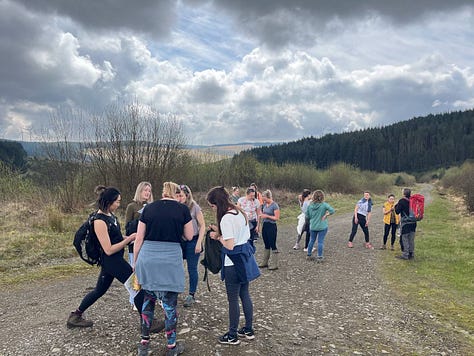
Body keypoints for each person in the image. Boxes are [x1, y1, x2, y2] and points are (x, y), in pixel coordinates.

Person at [67, 186, 140, 328]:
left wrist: (131, 238)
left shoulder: (111, 216)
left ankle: (75, 316)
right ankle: (149, 321)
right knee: (137, 287)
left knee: (99, 290)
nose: (119, 204)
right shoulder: (99, 221)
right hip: (112, 260)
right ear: (109, 201)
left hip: (113, 261)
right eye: (117, 202)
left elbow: (116, 238)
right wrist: (128, 240)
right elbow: (108, 249)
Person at [134, 182, 193, 356]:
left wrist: (135, 263)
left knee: (148, 301)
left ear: (162, 193)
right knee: (169, 305)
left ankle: (144, 344)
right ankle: (171, 347)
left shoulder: (148, 209)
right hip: (170, 259)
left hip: (148, 257)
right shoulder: (182, 210)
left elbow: (139, 238)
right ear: (176, 193)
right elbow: (189, 235)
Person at [206, 186, 260, 345]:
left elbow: (229, 245)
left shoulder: (226, 218)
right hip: (244, 260)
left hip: (232, 263)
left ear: (217, 203)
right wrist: (220, 232)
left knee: (232, 300)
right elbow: (240, 235)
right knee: (245, 294)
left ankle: (232, 335)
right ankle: (248, 329)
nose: (212, 209)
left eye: (212, 206)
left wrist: (217, 236)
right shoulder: (239, 212)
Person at [177, 184, 205, 307]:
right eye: (177, 195)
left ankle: (191, 294)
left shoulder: (194, 207)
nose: (179, 198)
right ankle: (175, 291)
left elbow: (202, 225)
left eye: (181, 196)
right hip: (179, 241)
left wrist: (199, 242)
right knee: (177, 268)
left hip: (193, 240)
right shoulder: (176, 207)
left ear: (187, 195)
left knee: (192, 268)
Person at [125, 182, 153, 266]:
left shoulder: (152, 206)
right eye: (145, 190)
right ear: (139, 191)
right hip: (135, 242)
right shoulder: (132, 206)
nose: (147, 192)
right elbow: (127, 226)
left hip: (148, 242)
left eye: (149, 191)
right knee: (135, 269)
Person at [305, 190, 335, 262]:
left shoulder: (310, 206)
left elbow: (307, 216)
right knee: (320, 241)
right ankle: (320, 257)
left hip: (313, 226)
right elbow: (332, 210)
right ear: (322, 197)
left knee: (311, 240)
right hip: (322, 226)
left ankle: (308, 255)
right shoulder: (324, 205)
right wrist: (326, 215)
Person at [258, 190, 280, 270]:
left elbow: (276, 218)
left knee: (272, 243)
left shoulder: (275, 205)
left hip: (272, 226)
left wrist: (267, 216)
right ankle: (265, 262)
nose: (262, 199)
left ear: (267, 197)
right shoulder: (264, 204)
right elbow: (261, 214)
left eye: (263, 197)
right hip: (265, 225)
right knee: (266, 244)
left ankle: (275, 264)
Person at [395, 188, 416, 260]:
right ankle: (411, 253)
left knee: (405, 238)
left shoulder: (402, 201)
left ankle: (405, 255)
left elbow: (397, 211)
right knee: (411, 238)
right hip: (413, 222)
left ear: (404, 193)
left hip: (405, 223)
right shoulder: (413, 200)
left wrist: (396, 205)